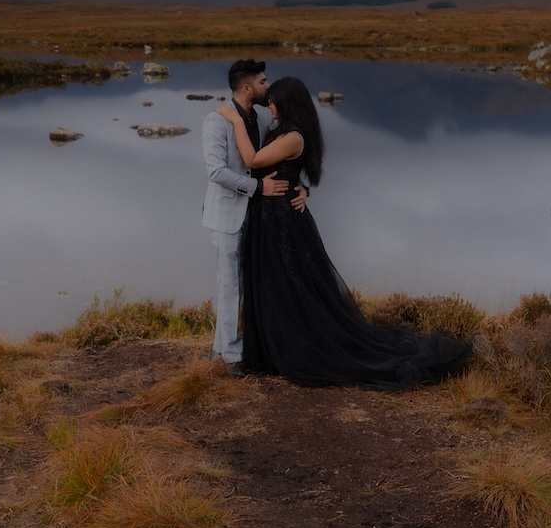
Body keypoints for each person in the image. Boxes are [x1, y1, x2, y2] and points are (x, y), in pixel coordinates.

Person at [215, 75, 472, 389]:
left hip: (283, 222)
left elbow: (253, 160)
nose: (268, 103)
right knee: (273, 286)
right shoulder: (280, 130)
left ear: (287, 102)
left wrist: (234, 120)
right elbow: (278, 169)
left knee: (292, 287)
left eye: (273, 100)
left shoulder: (294, 136)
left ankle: (298, 350)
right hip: (269, 218)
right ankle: (272, 348)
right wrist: (302, 187)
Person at [202, 59, 307, 376]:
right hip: (227, 216)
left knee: (250, 284)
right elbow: (217, 172)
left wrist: (301, 188)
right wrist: (258, 186)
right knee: (229, 285)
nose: (267, 86)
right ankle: (231, 357)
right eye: (263, 82)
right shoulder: (215, 121)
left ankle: (223, 348)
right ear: (246, 88)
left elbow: (281, 160)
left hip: (262, 217)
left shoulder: (263, 123)